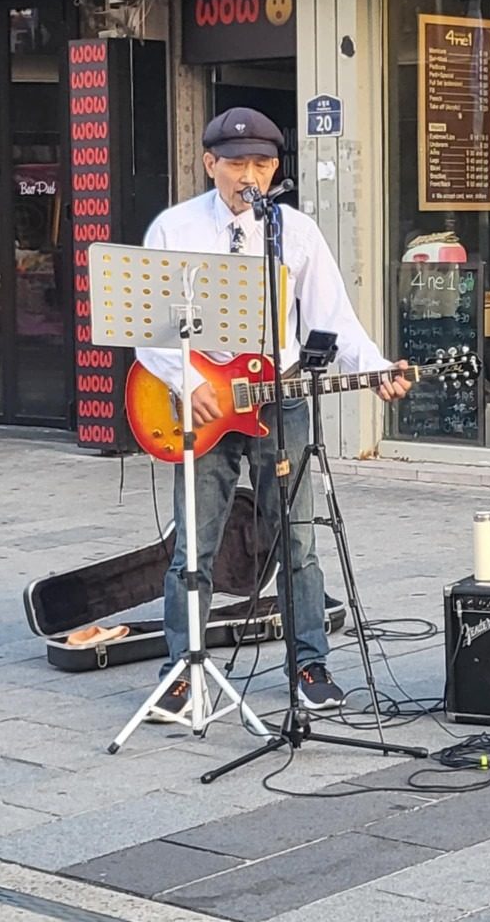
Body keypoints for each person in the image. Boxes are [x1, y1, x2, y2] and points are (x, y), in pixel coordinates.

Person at [137, 107, 412, 720]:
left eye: (262, 163)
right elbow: (145, 326)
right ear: (209, 164)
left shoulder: (294, 230)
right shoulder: (174, 227)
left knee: (298, 538)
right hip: (202, 401)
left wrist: (375, 368)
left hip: (277, 394)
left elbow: (331, 318)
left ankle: (308, 666)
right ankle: (181, 671)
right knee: (195, 542)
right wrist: (186, 379)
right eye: (236, 163)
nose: (249, 174)